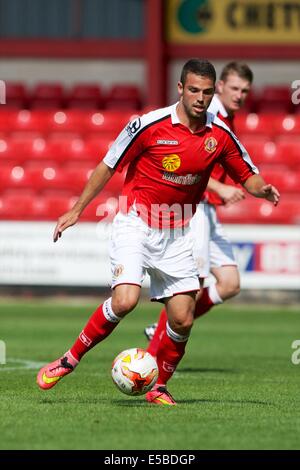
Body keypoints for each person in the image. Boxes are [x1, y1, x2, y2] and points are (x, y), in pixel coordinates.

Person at [36, 59, 279, 406]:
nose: (200, 98)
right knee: (125, 300)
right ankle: (68, 360)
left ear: (214, 93)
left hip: (178, 232)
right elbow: (108, 165)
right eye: (193, 90)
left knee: (182, 318)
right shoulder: (148, 125)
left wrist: (262, 189)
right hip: (136, 222)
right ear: (180, 88)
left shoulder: (220, 134)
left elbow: (246, 173)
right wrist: (77, 209)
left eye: (207, 92)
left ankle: (158, 386)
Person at [145, 62, 254, 356]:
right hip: (196, 210)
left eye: (245, 90)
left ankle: (159, 331)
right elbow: (185, 168)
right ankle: (154, 355)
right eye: (234, 88)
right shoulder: (209, 115)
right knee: (188, 288)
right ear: (220, 87)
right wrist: (221, 188)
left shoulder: (227, 118)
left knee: (229, 283)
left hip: (210, 211)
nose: (239, 95)